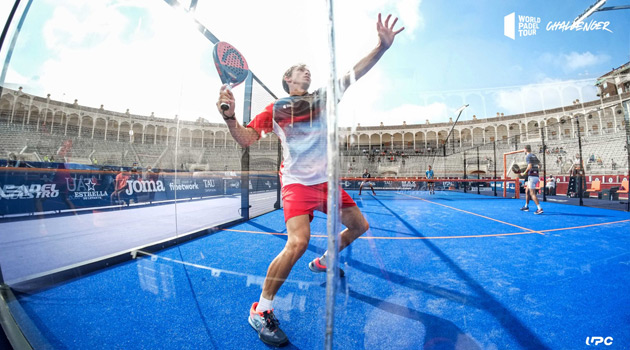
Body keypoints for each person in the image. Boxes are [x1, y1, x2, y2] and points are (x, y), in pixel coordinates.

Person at [217, 13, 403, 347]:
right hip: (297, 184)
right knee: (298, 242)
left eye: (308, 70)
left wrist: (382, 47)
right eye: (301, 69)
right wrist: (230, 117)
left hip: (326, 183)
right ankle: (261, 309)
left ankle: (325, 261)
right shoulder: (275, 109)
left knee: (359, 226)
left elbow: (356, 71)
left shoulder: (324, 97)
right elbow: (245, 139)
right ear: (288, 78)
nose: (307, 72)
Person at [516, 145, 543, 214]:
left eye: (524, 149)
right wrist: (536, 170)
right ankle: (526, 206)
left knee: (532, 194)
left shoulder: (528, 156)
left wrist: (524, 173)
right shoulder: (534, 155)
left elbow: (529, 166)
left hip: (531, 177)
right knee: (527, 191)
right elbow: (540, 165)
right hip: (536, 176)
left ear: (525, 149)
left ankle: (539, 208)